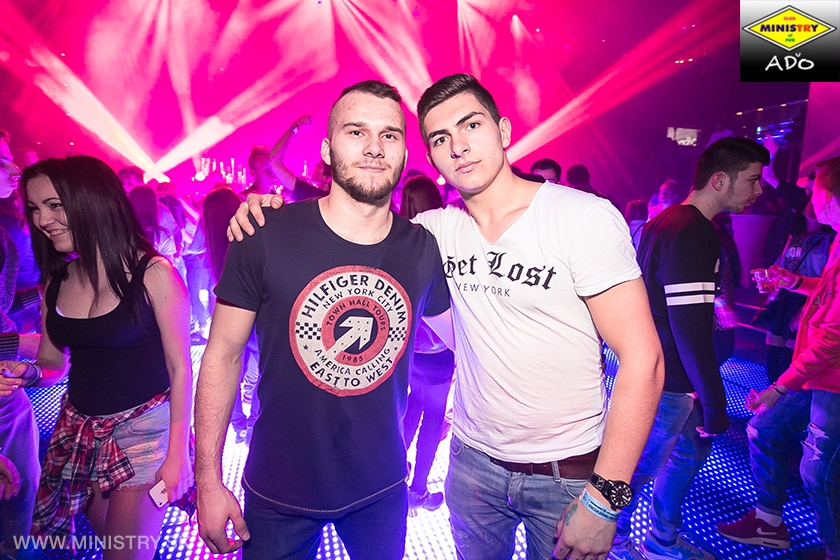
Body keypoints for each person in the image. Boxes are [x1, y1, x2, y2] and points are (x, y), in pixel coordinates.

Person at [230, 73, 664, 560]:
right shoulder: (433, 233)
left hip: (565, 475)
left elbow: (644, 359)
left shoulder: (580, 217)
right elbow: (354, 223)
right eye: (440, 138)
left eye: (471, 125)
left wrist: (606, 500)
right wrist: (264, 210)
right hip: (471, 468)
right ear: (430, 157)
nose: (458, 146)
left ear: (503, 131)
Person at [195, 80, 450, 560]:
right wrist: (207, 480)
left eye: (390, 135)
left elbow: (465, 337)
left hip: (381, 487)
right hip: (278, 489)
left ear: (403, 152)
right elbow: (222, 356)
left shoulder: (422, 249)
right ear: (328, 150)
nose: (374, 147)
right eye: (356, 132)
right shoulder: (264, 233)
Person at [7, 156, 193, 559]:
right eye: (35, 208)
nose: (43, 220)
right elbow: (54, 363)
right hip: (80, 434)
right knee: (114, 545)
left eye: (54, 205)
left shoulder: (154, 273)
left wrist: (179, 454)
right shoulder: (56, 280)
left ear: (91, 200)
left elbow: (180, 369)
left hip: (145, 433)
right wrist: (28, 372)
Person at [610, 137, 769, 560]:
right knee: (634, 471)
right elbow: (689, 328)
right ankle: (612, 543)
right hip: (667, 380)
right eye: (752, 180)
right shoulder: (694, 230)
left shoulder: (668, 220)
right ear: (720, 181)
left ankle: (660, 539)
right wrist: (715, 402)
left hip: (663, 372)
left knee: (686, 454)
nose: (758, 191)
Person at [717, 156, 840, 559]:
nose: (811, 199)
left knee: (819, 474)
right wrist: (795, 281)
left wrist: (780, 386)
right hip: (816, 373)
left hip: (831, 379)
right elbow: (830, 291)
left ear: (830, 198)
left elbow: (833, 338)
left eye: (815, 192)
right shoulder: (837, 239)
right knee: (764, 430)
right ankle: (769, 523)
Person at [398, 176, 455, 513]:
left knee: (414, 403)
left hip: (410, 350)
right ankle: (417, 490)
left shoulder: (397, 239)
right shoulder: (442, 242)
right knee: (433, 416)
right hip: (438, 349)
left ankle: (393, 477)